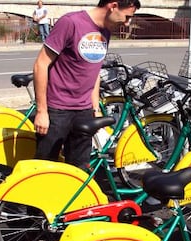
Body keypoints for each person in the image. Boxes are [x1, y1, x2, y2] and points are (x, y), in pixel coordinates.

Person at [32, 0, 141, 169]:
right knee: (44, 169)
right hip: (57, 109)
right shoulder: (71, 22)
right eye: (127, 17)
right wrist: (42, 111)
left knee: (79, 170)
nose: (127, 23)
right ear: (113, 6)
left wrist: (95, 108)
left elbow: (94, 70)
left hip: (83, 111)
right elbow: (41, 64)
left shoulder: (105, 30)